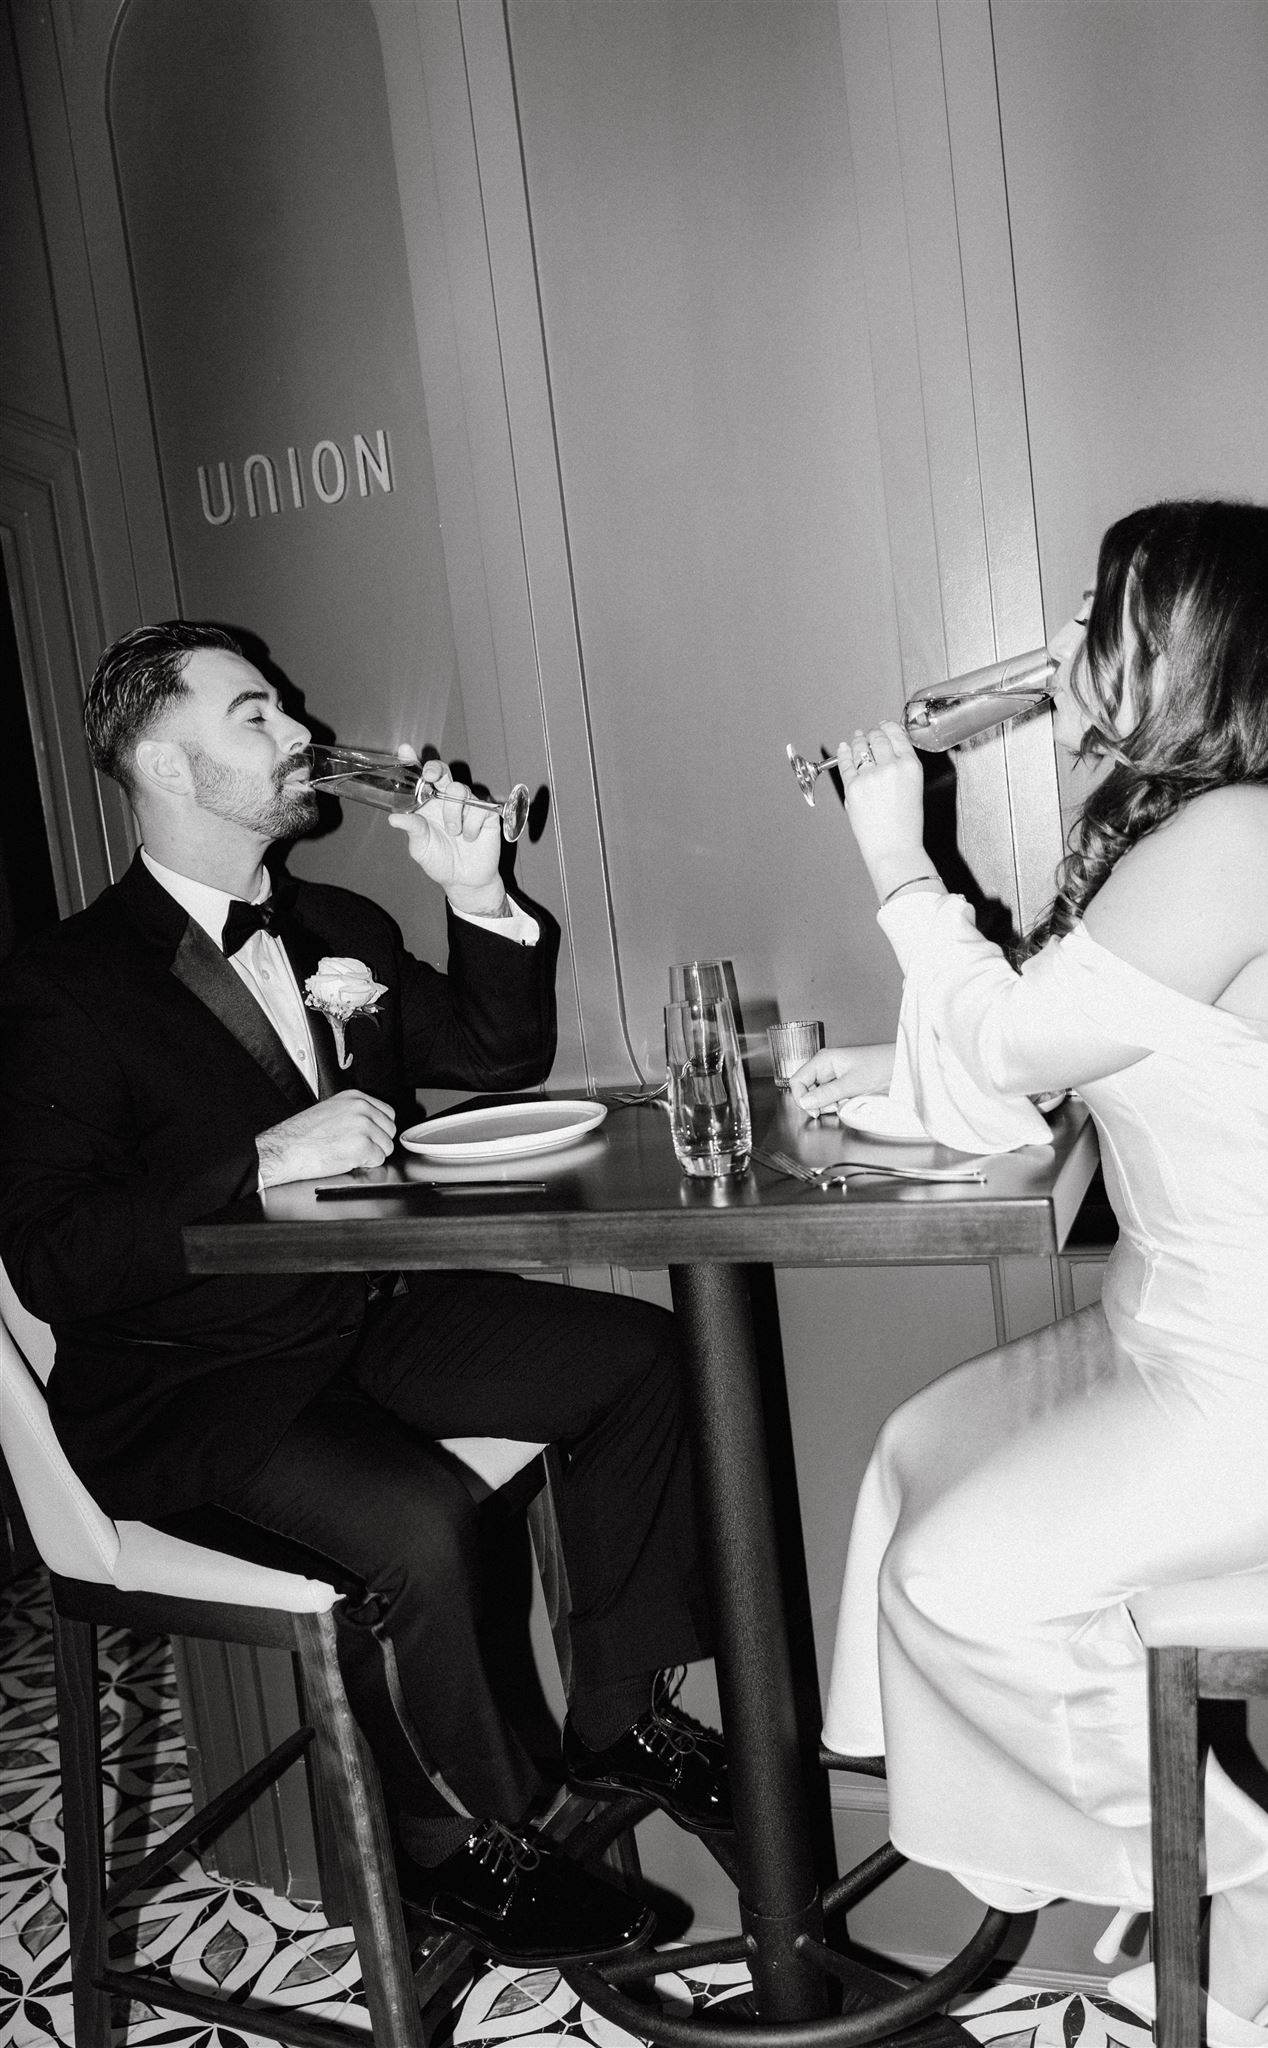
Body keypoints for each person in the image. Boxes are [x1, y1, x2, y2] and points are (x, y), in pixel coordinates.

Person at [0, 621, 731, 1967]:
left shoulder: (334, 925)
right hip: (192, 1380)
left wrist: (478, 891)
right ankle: (465, 1843)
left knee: (641, 1358)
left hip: (365, 1323)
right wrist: (257, 1157)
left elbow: (498, 1049)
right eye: (256, 717)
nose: (296, 734)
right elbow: (52, 1255)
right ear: (166, 763)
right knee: (420, 1525)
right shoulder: (61, 986)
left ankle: (617, 1712)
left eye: (283, 708)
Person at [796, 502, 1268, 2044]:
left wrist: (895, 862)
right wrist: (853, 1067)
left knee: (954, 1585)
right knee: (916, 1453)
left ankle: (1266, 1887)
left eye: (1100, 614)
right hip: (1174, 1326)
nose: (1061, 652)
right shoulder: (1212, 825)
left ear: (1202, 645)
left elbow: (1007, 1040)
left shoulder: (1244, 834)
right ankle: (1096, 1840)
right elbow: (1070, 1037)